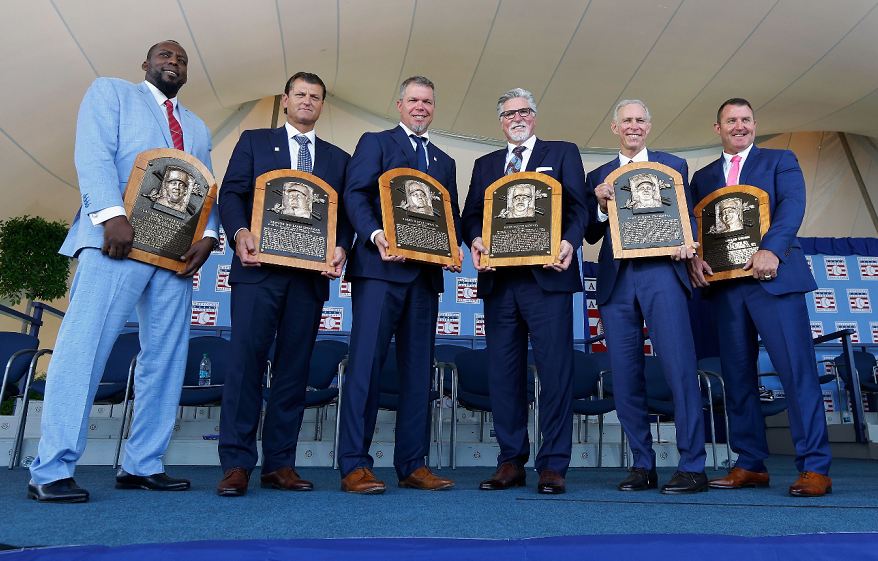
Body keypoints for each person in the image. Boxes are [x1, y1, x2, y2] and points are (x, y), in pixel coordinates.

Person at [27, 40, 218, 503]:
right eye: (165, 56)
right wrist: (111, 215)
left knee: (166, 358)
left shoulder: (195, 126)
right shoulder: (111, 93)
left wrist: (210, 236)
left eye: (182, 59)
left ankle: (143, 464)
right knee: (84, 348)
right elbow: (92, 154)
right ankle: (51, 469)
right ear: (146, 64)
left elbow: (205, 186)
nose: (173, 62)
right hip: (116, 240)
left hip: (173, 255)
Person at [216, 72, 353, 496]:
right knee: (246, 365)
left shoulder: (338, 158)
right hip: (258, 273)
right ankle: (237, 463)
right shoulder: (255, 142)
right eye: (300, 94)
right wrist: (239, 233)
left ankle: (280, 464)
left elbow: (346, 215)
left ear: (321, 105)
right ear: (286, 100)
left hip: (308, 280)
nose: (308, 101)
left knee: (294, 370)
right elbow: (231, 194)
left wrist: (343, 247)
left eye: (315, 96)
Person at [689, 98, 832, 497]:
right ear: (717, 128)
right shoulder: (702, 178)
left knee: (796, 373)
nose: (740, 126)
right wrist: (696, 259)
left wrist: (772, 248)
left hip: (775, 280)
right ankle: (750, 462)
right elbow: (697, 227)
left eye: (746, 120)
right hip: (728, 289)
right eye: (731, 120)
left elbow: (793, 206)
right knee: (737, 378)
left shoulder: (780, 160)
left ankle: (815, 467)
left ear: (754, 124)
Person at [461, 88, 588, 494]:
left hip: (546, 279)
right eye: (509, 113)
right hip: (500, 283)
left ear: (534, 116)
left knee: (555, 373)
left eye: (524, 111)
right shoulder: (484, 164)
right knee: (503, 374)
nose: (517, 117)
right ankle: (510, 460)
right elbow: (470, 217)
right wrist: (476, 241)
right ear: (501, 120)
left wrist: (569, 241)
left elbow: (579, 208)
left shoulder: (563, 152)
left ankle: (553, 464)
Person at [339, 75, 461, 494]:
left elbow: (451, 218)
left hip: (425, 278)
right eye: (414, 100)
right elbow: (354, 194)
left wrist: (455, 248)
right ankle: (355, 464)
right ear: (400, 104)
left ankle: (413, 463)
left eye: (428, 101)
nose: (421, 107)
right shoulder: (375, 142)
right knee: (366, 368)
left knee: (418, 374)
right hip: (378, 271)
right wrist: (375, 235)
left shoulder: (445, 161)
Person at [584, 99, 707, 494]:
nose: (633, 126)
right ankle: (642, 464)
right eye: (626, 121)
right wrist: (601, 205)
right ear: (614, 128)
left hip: (662, 273)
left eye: (640, 120)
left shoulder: (674, 165)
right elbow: (589, 232)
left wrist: (689, 243)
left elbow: (685, 213)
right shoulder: (598, 174)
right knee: (625, 375)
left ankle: (692, 466)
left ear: (649, 126)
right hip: (618, 279)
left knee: (679, 368)